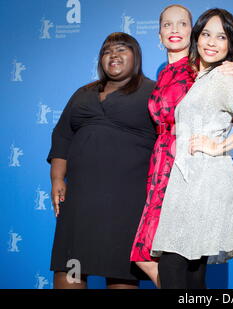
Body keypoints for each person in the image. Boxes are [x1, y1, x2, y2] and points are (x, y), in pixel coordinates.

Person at [150, 8, 233, 289]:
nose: (211, 42)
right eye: (206, 34)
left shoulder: (224, 78)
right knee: (191, 270)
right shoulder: (202, 79)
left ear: (231, 45)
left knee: (174, 263)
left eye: (221, 37)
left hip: (205, 179)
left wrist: (221, 146)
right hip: (186, 178)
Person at [130, 4, 233, 288]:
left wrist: (219, 143)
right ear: (158, 35)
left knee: (181, 259)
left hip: (187, 166)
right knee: (160, 257)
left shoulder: (204, 68)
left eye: (182, 24)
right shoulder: (163, 77)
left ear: (192, 32)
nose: (174, 30)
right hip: (160, 165)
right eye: (167, 25)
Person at [47, 32, 157, 289]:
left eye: (122, 49)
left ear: (136, 57)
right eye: (107, 51)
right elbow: (62, 136)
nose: (114, 55)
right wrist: (57, 178)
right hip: (80, 199)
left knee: (120, 270)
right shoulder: (83, 93)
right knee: (70, 266)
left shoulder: (153, 92)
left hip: (128, 200)